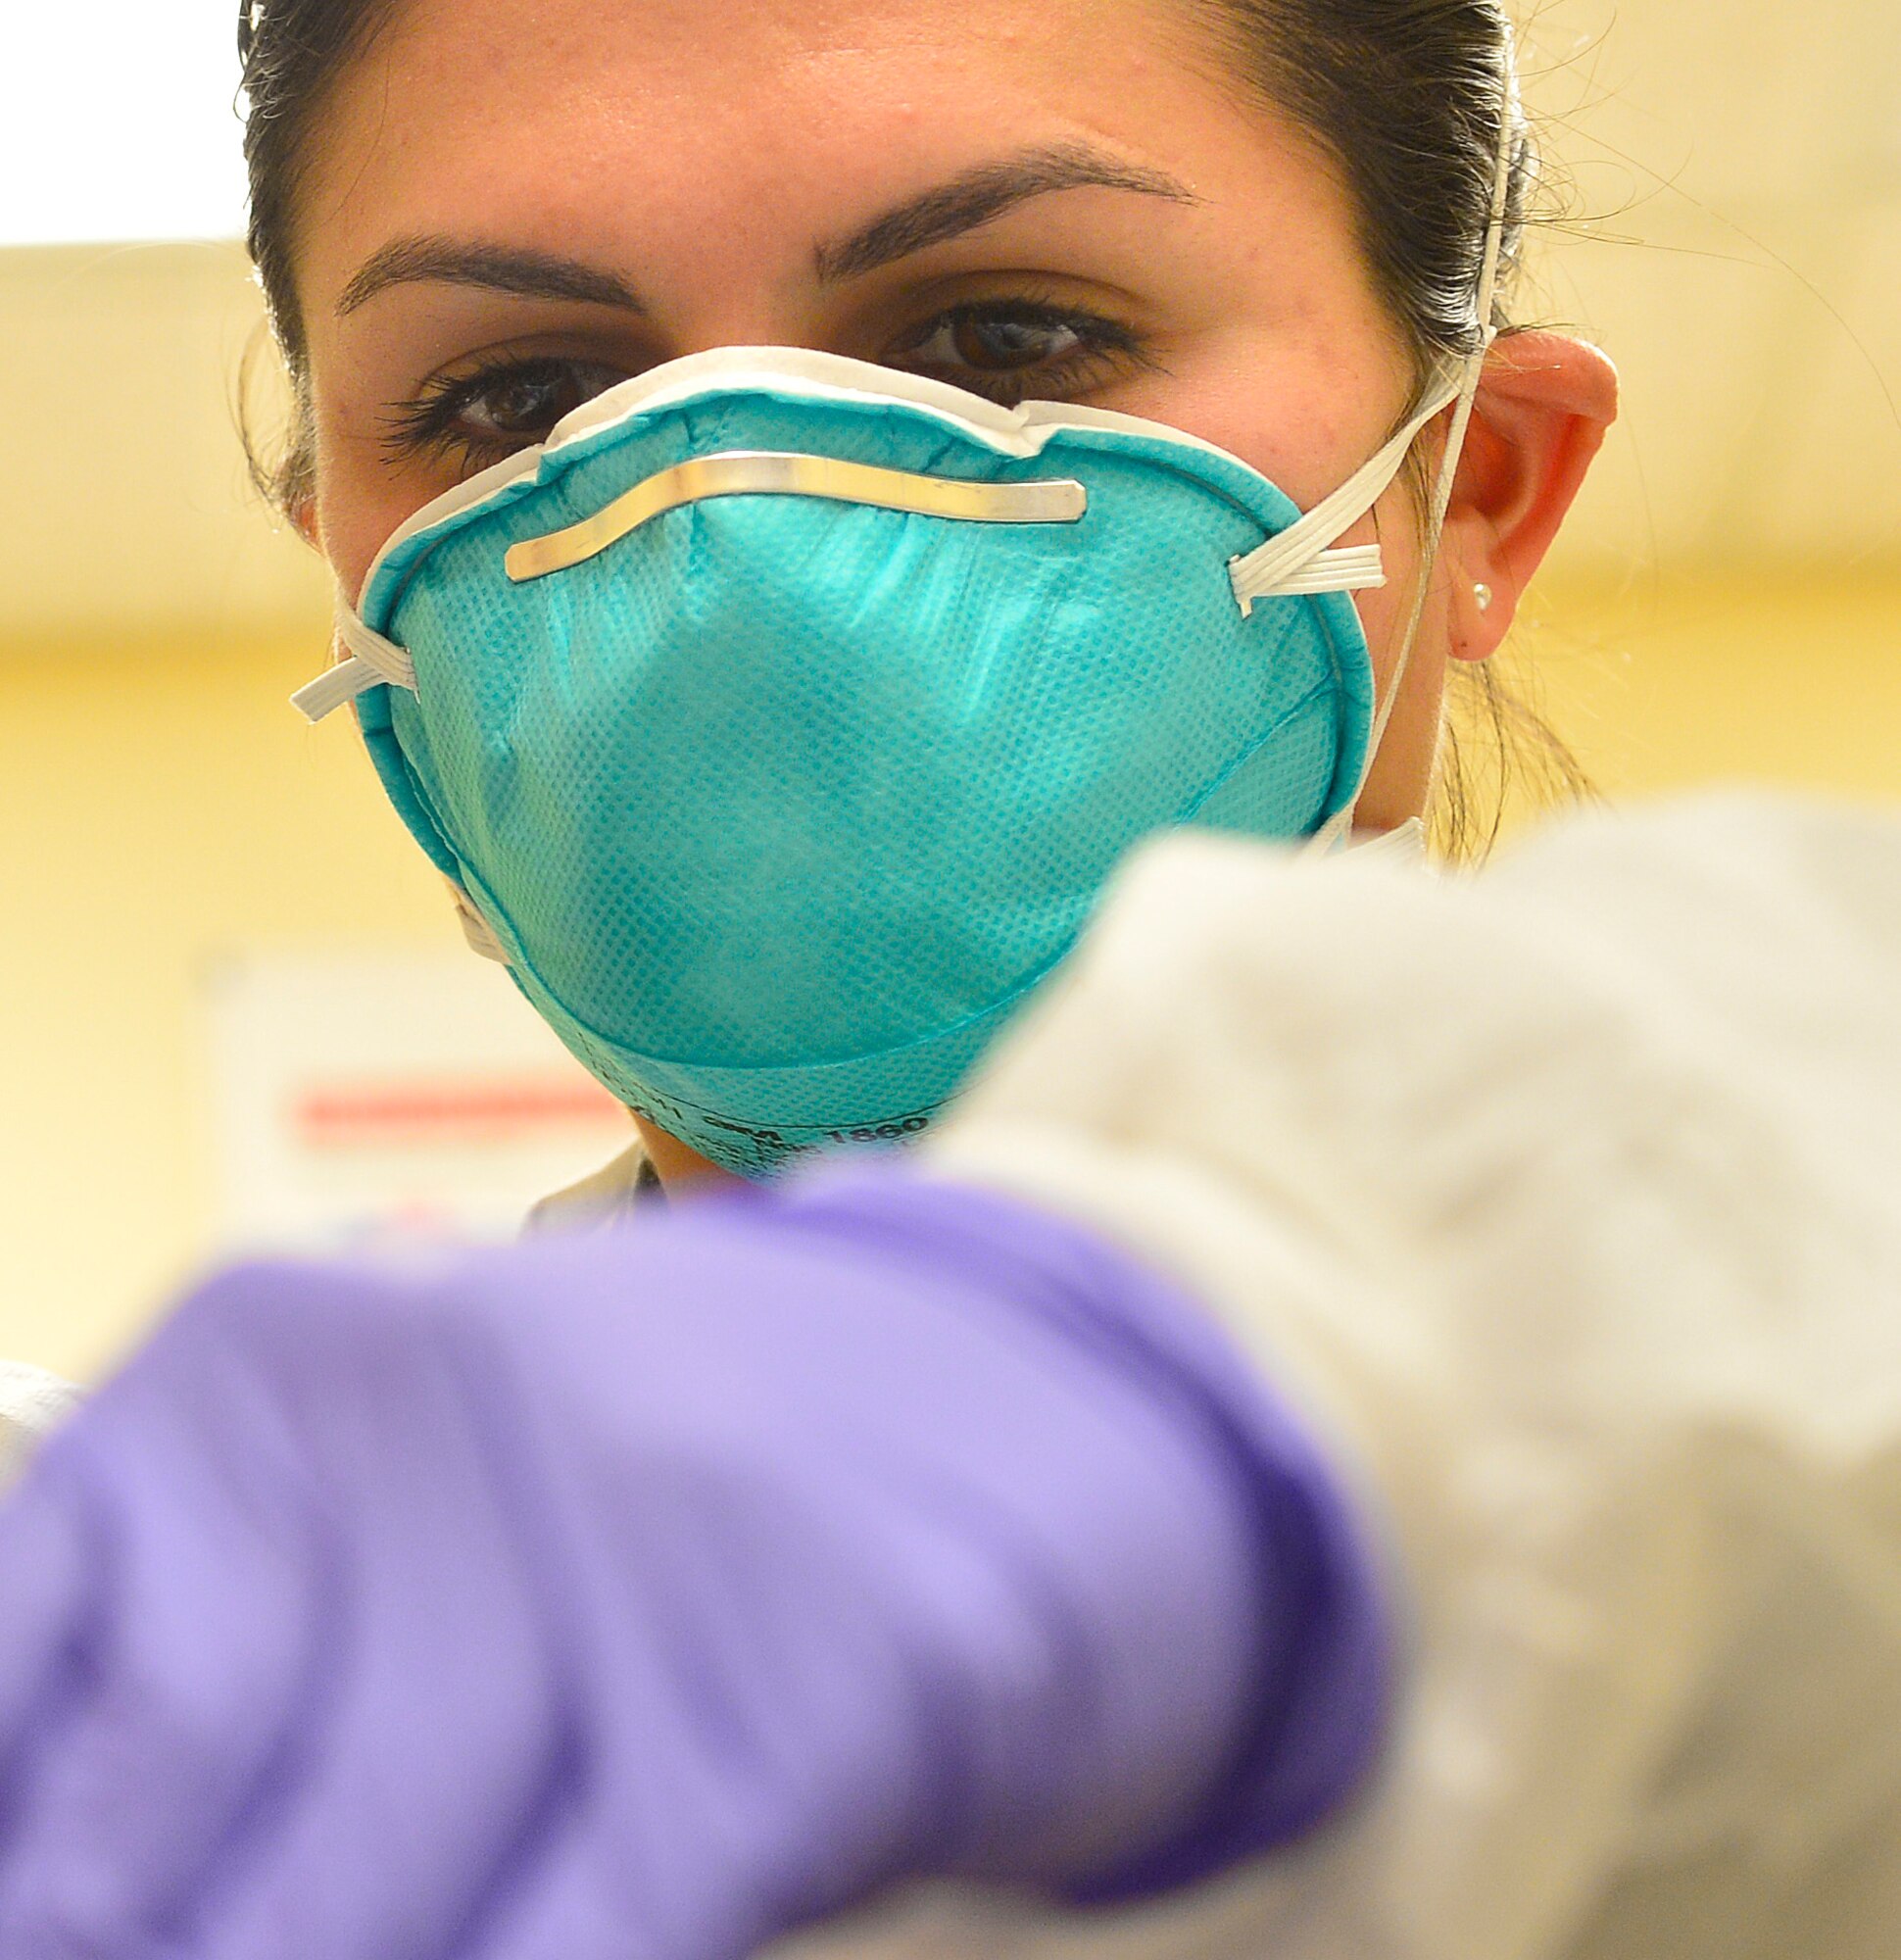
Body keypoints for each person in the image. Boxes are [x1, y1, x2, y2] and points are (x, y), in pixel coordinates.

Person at [2, 4, 1898, 1958]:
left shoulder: (1796, 1331)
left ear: (1477, 487)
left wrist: (1232, 1385)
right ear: (354, 572)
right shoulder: (251, 1661)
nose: (725, 535)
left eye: (1003, 335)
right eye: (516, 394)